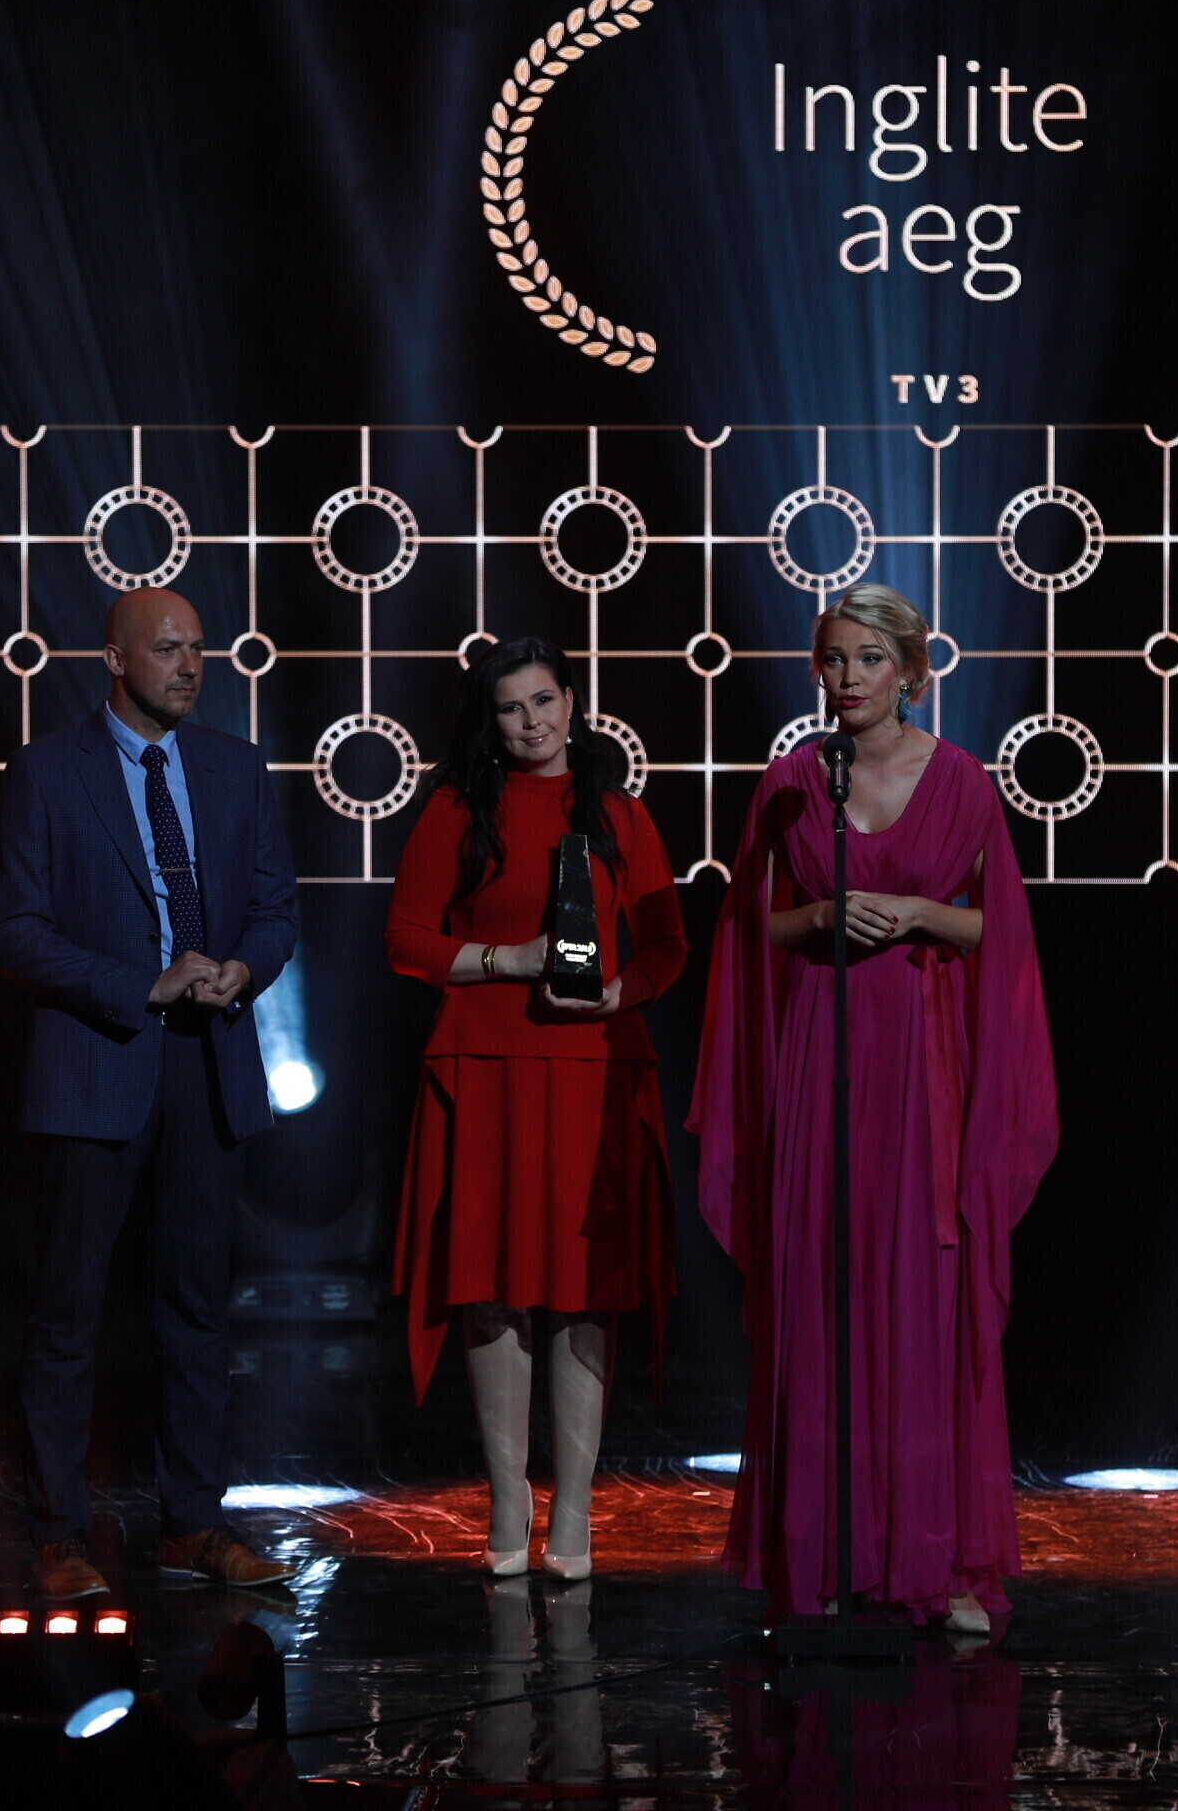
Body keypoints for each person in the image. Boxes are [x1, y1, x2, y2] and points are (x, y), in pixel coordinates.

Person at [689, 585, 1058, 1635]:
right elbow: (750, 928)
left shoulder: (964, 783)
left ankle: (940, 1561)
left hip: (921, 1062)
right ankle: (821, 1555)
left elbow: (1002, 931)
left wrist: (921, 913)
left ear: (910, 672)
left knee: (920, 1298)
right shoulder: (791, 784)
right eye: (832, 659)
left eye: (867, 659)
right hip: (822, 1055)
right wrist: (819, 915)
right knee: (823, 1291)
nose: (846, 678)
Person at [0, 586, 301, 1600]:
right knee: (69, 1311)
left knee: (196, 1308)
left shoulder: (234, 768)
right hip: (96, 1063)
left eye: (198, 649)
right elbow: (15, 931)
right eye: (168, 649)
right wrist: (142, 985)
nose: (190, 666)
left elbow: (275, 910)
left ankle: (192, 1524)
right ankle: (59, 1536)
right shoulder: (48, 771)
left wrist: (240, 970)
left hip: (207, 1063)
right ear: (116, 660)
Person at [384, 638, 686, 1580]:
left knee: (583, 1291)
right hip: (487, 1065)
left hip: (593, 1067)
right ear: (492, 720)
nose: (532, 722)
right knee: (493, 1286)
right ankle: (509, 1497)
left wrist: (623, 990)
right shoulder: (453, 810)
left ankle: (577, 1507)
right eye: (512, 708)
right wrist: (502, 961)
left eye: (545, 701)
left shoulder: (620, 813)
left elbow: (667, 945)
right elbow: (405, 939)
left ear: (572, 703)